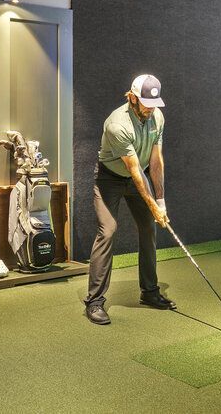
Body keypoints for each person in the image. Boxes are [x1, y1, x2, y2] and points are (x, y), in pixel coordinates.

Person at [84, 74, 174, 325]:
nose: (150, 108)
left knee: (148, 228)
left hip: (140, 177)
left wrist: (161, 201)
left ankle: (150, 292)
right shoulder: (117, 124)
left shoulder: (157, 116)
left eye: (154, 103)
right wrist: (152, 205)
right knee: (108, 230)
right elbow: (133, 169)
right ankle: (94, 301)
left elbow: (155, 162)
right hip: (109, 179)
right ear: (132, 98)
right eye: (144, 102)